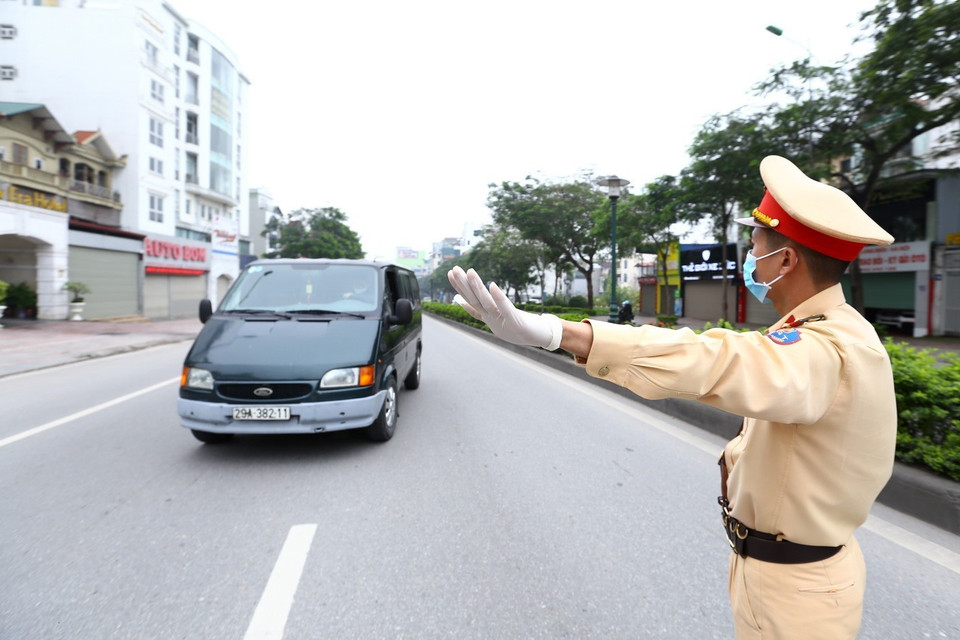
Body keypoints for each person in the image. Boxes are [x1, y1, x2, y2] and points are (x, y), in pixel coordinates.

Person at [447, 155, 897, 640]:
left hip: (796, 591)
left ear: (785, 261)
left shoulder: (823, 350)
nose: (750, 257)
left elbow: (713, 359)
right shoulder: (829, 330)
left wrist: (560, 333)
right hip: (784, 570)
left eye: (755, 247)